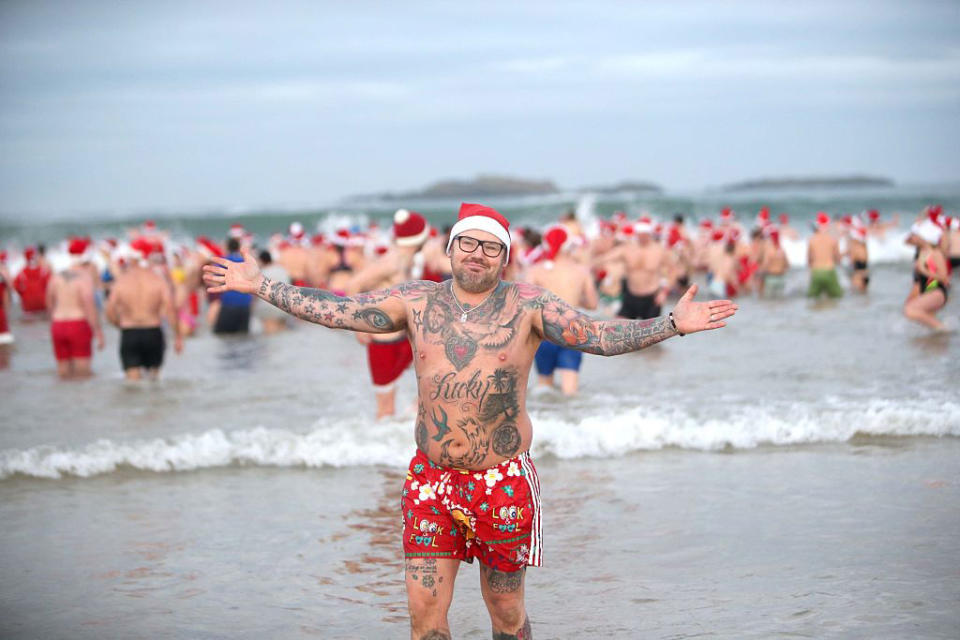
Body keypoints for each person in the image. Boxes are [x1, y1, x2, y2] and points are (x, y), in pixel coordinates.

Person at [204, 202, 737, 640]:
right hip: (430, 482)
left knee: (505, 614)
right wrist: (264, 288)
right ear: (452, 248)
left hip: (501, 483)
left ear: (504, 256)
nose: (478, 254)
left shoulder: (529, 305)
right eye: (469, 243)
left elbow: (596, 336)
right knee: (424, 619)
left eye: (491, 246)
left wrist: (671, 325)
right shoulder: (416, 301)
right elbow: (340, 309)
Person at [346, 209, 430, 419]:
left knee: (435, 386)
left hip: (405, 339)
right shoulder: (392, 261)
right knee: (385, 410)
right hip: (384, 342)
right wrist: (358, 327)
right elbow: (353, 285)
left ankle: (406, 429)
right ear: (421, 236)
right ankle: (381, 447)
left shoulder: (407, 260)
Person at [526, 225, 598, 396]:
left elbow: (527, 305)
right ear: (568, 245)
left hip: (544, 334)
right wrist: (573, 299)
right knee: (570, 392)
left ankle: (548, 422)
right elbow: (593, 304)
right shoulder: (581, 271)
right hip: (572, 333)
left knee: (544, 389)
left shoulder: (535, 270)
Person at [106, 238, 183, 380]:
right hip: (152, 331)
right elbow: (170, 309)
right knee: (154, 381)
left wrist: (118, 324)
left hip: (129, 331)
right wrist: (178, 337)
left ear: (132, 258)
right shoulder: (158, 280)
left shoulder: (122, 281)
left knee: (132, 383)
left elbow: (109, 310)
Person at [46, 237, 104, 378]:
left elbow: (48, 301)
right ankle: (79, 400)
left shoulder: (56, 276)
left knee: (63, 372)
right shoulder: (85, 277)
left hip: (58, 324)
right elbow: (88, 304)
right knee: (82, 373)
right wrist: (98, 331)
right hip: (77, 323)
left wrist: (54, 319)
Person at [600, 219, 669, 320]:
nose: (641, 237)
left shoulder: (659, 250)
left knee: (651, 334)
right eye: (639, 234)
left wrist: (664, 292)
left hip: (652, 298)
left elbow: (672, 270)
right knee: (618, 329)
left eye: (644, 234)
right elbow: (605, 258)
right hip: (631, 296)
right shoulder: (627, 249)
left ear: (649, 234)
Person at [903, 220, 950, 331]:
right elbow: (907, 241)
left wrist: (924, 271)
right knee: (922, 316)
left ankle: (944, 330)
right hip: (927, 290)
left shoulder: (935, 253)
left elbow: (944, 277)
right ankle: (938, 336)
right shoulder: (923, 251)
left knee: (910, 310)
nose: (916, 237)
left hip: (937, 291)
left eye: (918, 235)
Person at [213, 238, 254, 334]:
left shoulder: (224, 262)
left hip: (229, 303)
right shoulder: (245, 261)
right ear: (238, 248)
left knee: (222, 334)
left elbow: (214, 281)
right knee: (243, 336)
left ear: (227, 247)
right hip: (245, 304)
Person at [807, 212, 843, 299]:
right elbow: (838, 258)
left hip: (816, 271)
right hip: (829, 270)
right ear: (828, 225)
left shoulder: (811, 239)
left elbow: (809, 259)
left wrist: (811, 271)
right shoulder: (833, 239)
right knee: (837, 297)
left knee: (812, 298)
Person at [256, 250, 292, 334]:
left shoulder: (262, 272)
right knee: (282, 333)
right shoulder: (282, 270)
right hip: (285, 305)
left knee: (270, 335)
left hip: (268, 306)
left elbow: (257, 292)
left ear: (261, 261)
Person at [13, 246, 51, 315]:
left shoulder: (22, 273)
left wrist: (23, 294)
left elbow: (16, 286)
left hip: (28, 305)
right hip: (42, 304)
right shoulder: (43, 271)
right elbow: (50, 285)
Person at [759, 228, 789, 297]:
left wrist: (760, 274)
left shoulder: (769, 251)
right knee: (780, 302)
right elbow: (787, 265)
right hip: (781, 278)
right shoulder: (782, 250)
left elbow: (765, 265)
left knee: (769, 303)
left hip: (771, 278)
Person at [846, 217, 870, 293]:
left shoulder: (855, 248)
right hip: (866, 273)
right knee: (865, 294)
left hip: (858, 274)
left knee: (855, 294)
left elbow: (852, 261)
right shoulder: (864, 246)